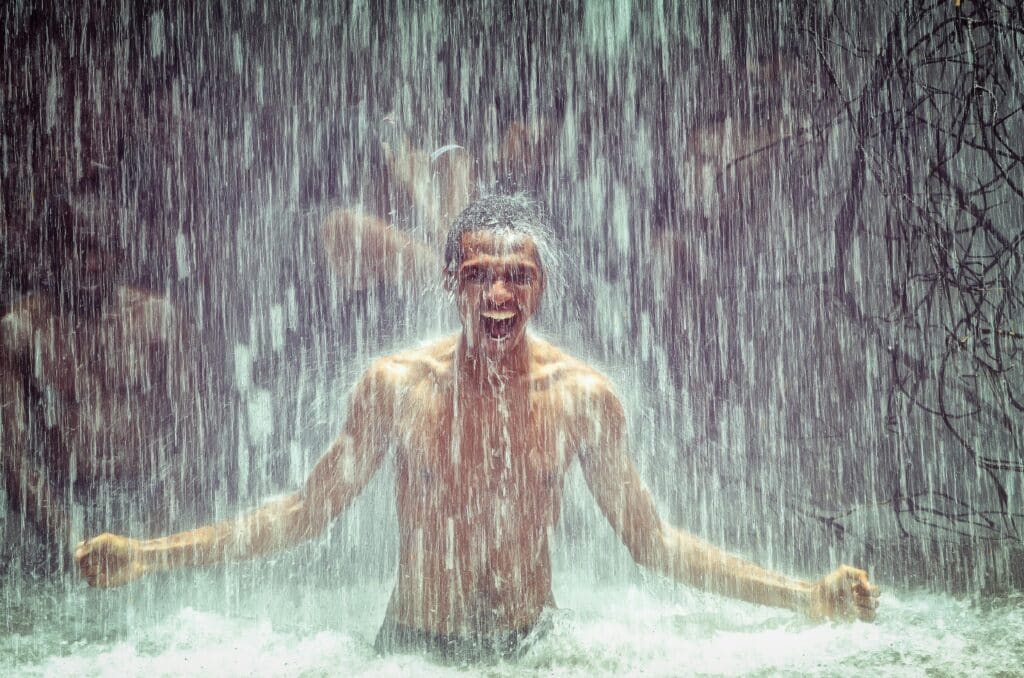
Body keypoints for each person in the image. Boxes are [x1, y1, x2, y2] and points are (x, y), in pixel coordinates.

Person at [75, 194, 880, 662]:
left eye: (518, 276)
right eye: (480, 275)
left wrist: (803, 595)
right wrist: (150, 555)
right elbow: (300, 513)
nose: (500, 292)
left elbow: (655, 542)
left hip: (536, 654)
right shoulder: (396, 386)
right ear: (451, 285)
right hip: (413, 656)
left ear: (541, 287)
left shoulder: (582, 397)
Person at [1, 190, 205, 571]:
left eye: (104, 249)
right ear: (52, 254)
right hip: (58, 507)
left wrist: (145, 545)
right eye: (78, 248)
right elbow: (12, 457)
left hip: (148, 497)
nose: (91, 264)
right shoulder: (22, 333)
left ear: (123, 254)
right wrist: (74, 543)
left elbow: (195, 441)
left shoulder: (158, 322)